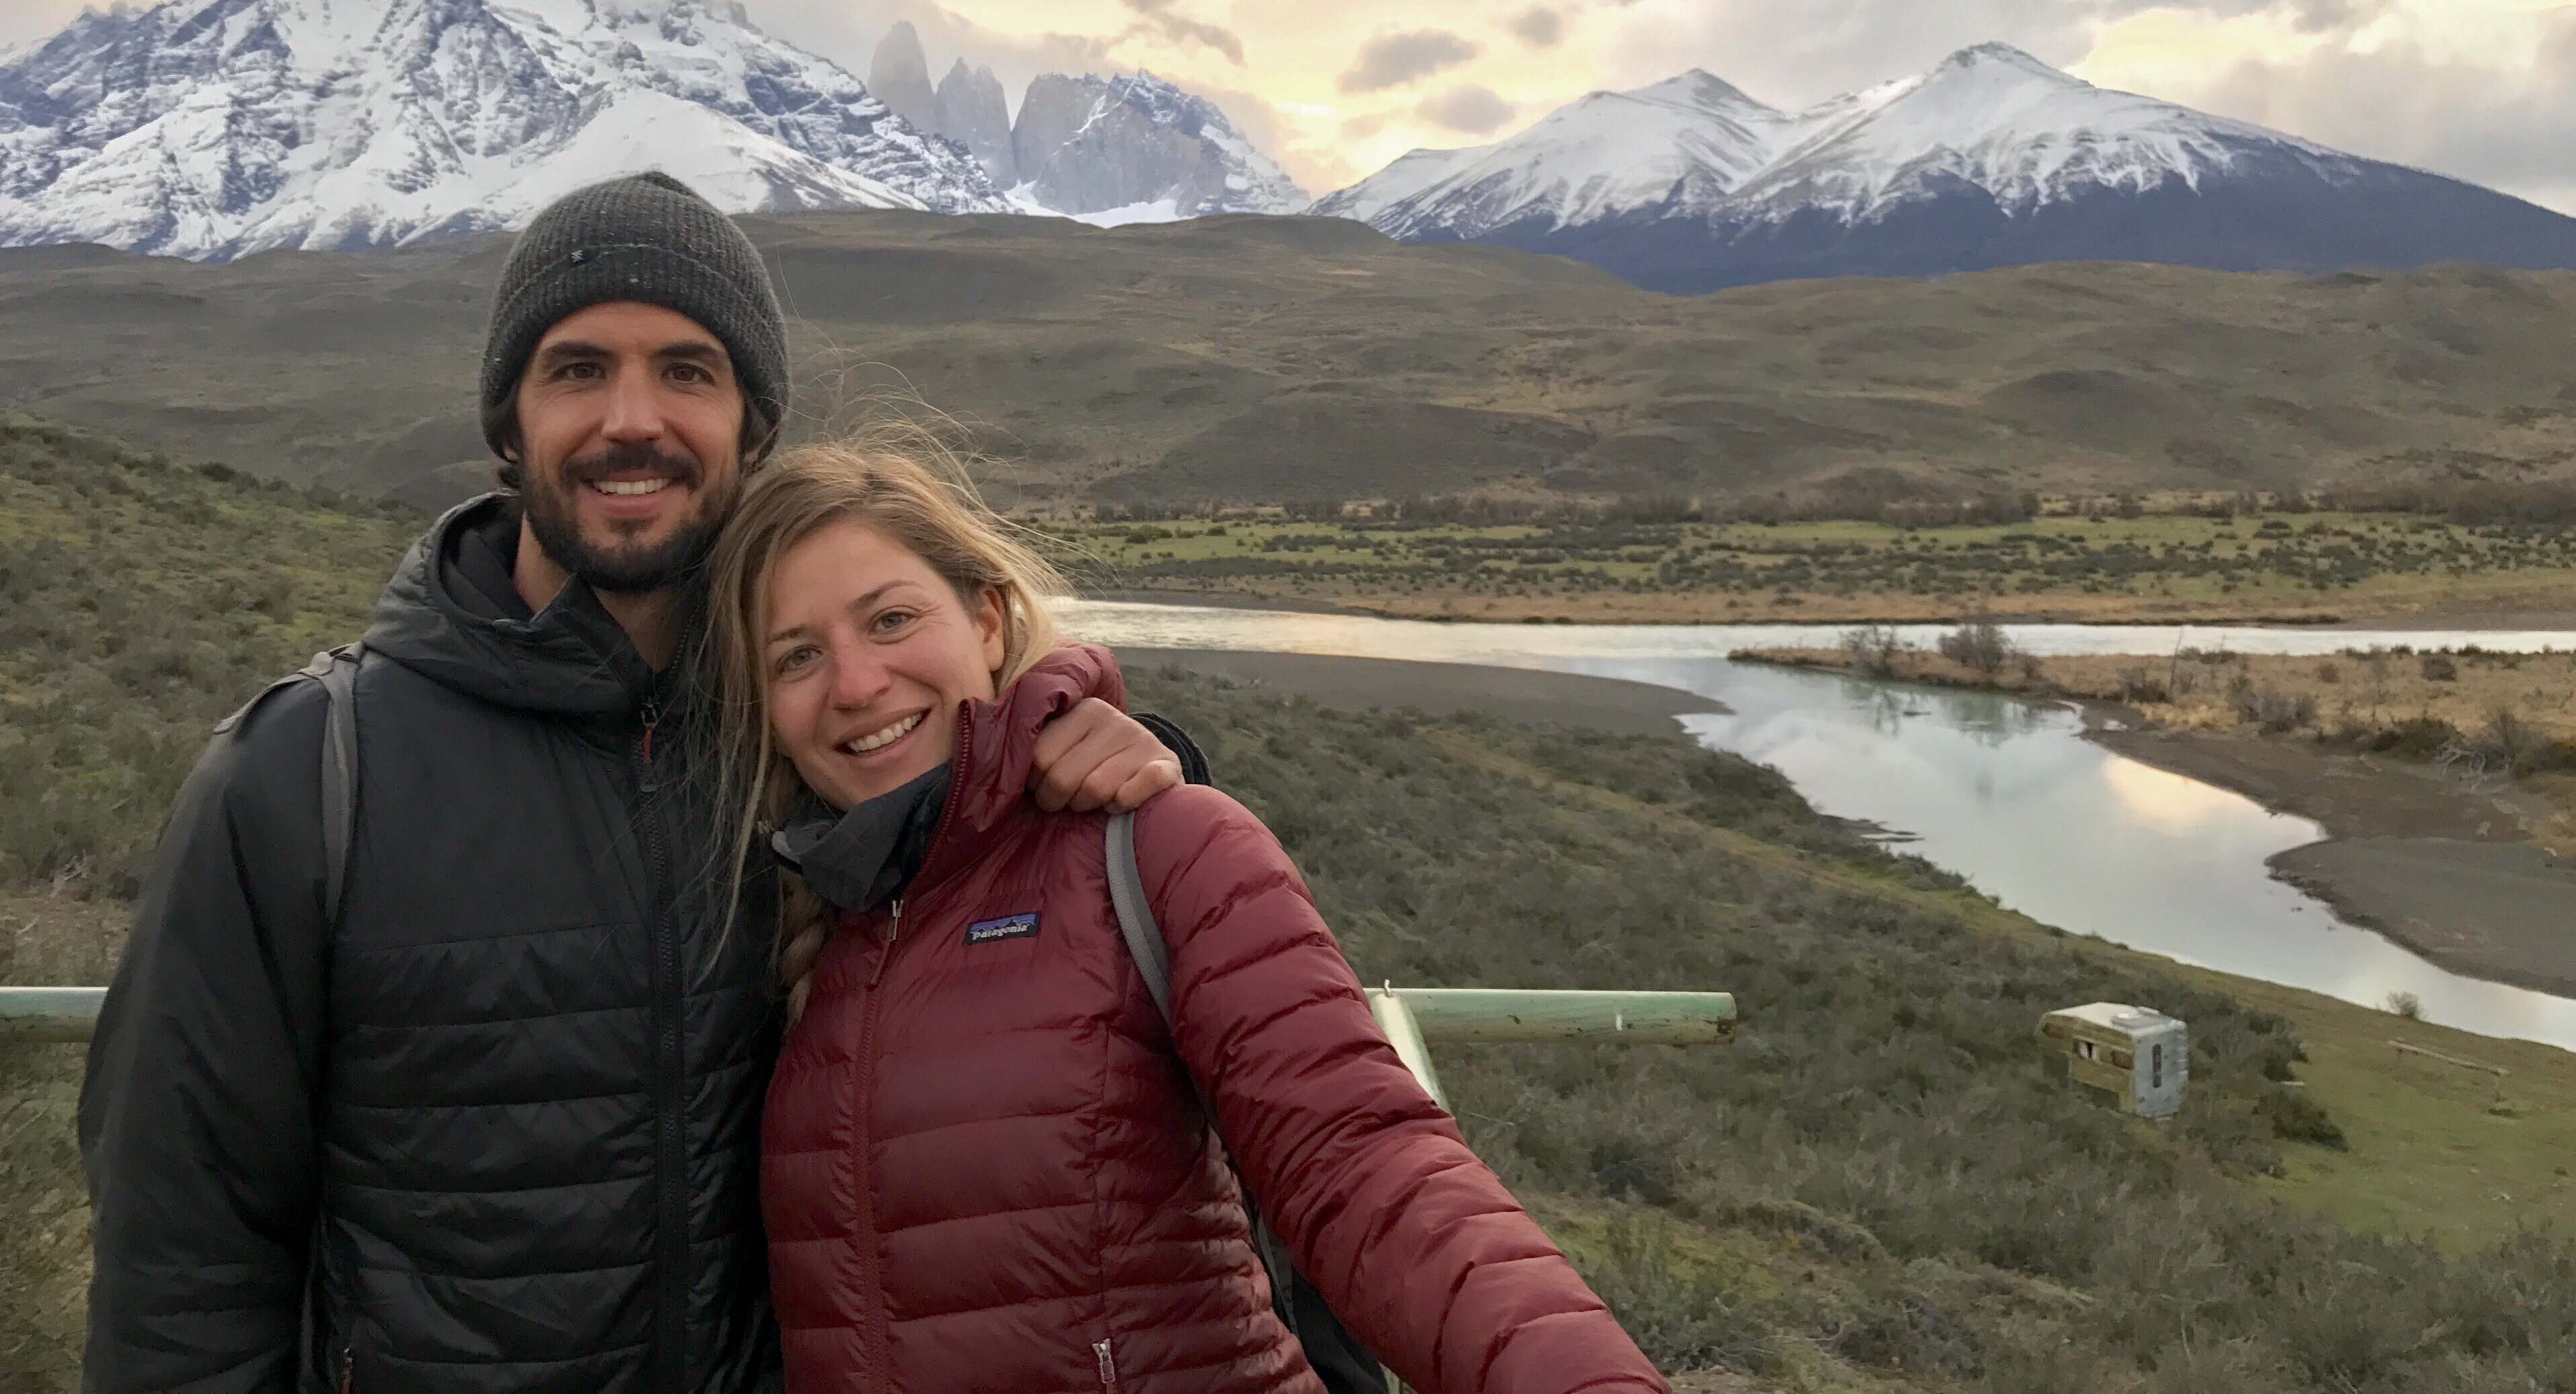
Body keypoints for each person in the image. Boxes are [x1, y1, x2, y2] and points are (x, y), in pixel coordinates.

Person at [78, 172, 1191, 1394]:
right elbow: (180, 1274)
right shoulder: (305, 775)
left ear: (753, 429)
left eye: (687, 371)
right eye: (577, 369)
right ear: (509, 424)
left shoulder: (821, 731)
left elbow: (1005, 861)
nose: (631, 419)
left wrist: (1130, 762)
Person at [707, 443, 1669, 1394]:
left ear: (988, 621)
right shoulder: (788, 923)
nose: (856, 684)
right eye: (798, 656)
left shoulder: (1161, 849)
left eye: (891, 619)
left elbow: (1364, 1165)